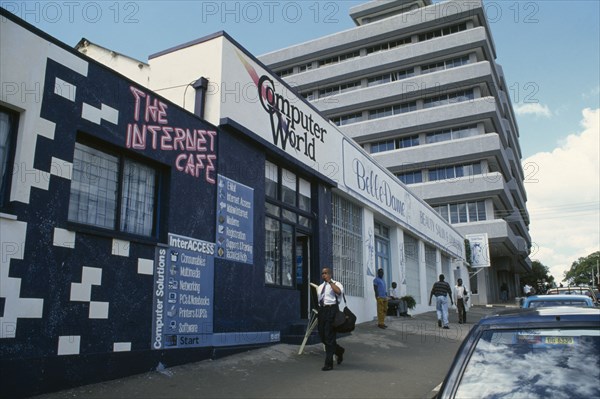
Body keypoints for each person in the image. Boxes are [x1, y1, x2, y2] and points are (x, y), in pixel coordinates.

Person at [317, 267, 345, 371]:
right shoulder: (320, 287)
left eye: (326, 273)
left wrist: (330, 282)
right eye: (322, 273)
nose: (324, 275)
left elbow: (338, 292)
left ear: (330, 274)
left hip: (332, 310)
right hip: (322, 311)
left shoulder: (337, 284)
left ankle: (328, 364)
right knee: (322, 336)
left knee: (329, 336)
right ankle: (339, 351)